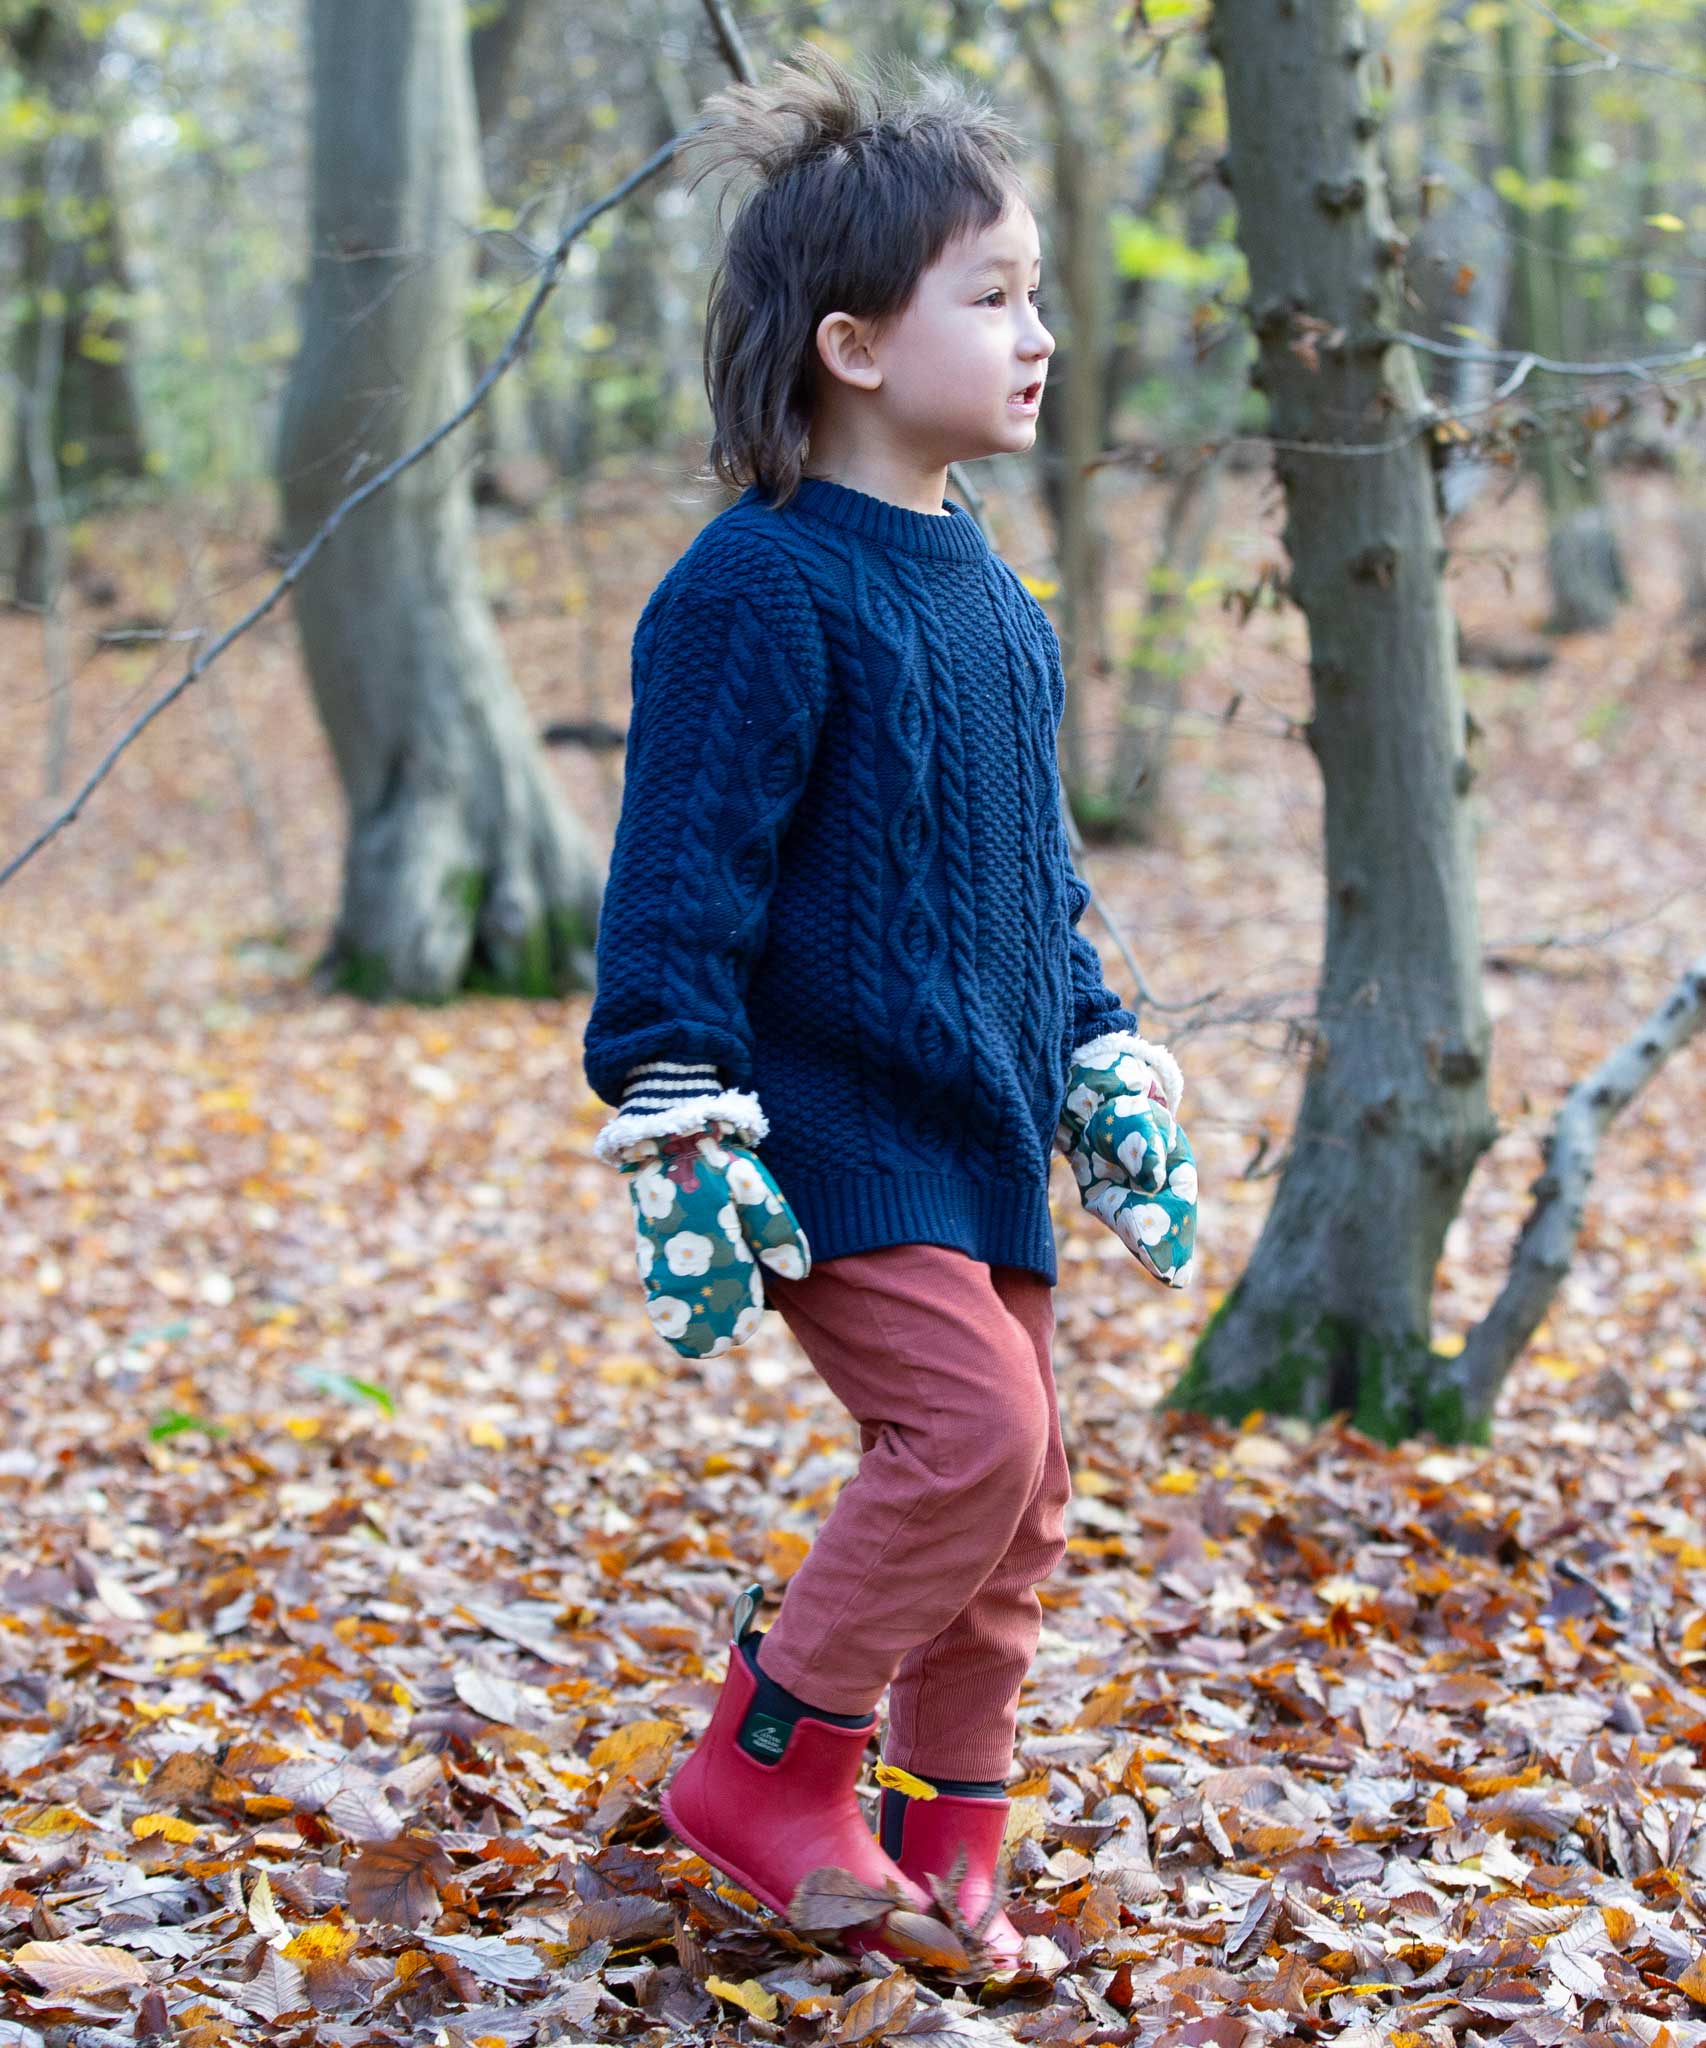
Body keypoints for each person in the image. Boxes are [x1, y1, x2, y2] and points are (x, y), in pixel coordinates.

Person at [580, 44, 1198, 1968]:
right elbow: (677, 877)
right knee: (969, 1437)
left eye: (1038, 295)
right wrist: (673, 1101)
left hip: (982, 1119)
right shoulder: (755, 589)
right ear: (852, 347)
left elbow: (1030, 874)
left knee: (1025, 1498)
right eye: (993, 297)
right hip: (831, 1127)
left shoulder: (994, 600)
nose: (1040, 335)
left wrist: (1092, 1046)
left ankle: (945, 1841)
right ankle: (767, 1767)